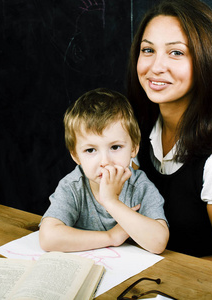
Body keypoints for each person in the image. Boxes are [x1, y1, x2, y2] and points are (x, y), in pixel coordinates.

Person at [127, 0, 212, 269]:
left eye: (176, 53)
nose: (155, 66)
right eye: (148, 50)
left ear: (207, 61)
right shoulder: (133, 134)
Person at [39, 88, 169, 254]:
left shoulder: (140, 187)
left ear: (134, 148)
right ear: (75, 156)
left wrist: (111, 201)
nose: (105, 161)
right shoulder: (73, 186)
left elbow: (158, 243)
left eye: (115, 147)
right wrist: (110, 237)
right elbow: (48, 238)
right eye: (91, 150)